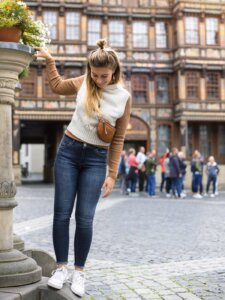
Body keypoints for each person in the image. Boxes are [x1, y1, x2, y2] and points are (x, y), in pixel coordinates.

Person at [34, 39, 131, 297]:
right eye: (95, 74)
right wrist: (50, 61)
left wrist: (112, 174)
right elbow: (56, 86)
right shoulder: (84, 82)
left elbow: (118, 138)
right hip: (68, 151)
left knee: (85, 218)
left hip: (97, 159)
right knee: (61, 214)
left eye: (104, 76)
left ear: (114, 72)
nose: (98, 80)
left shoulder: (123, 97)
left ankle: (79, 272)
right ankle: (61, 268)